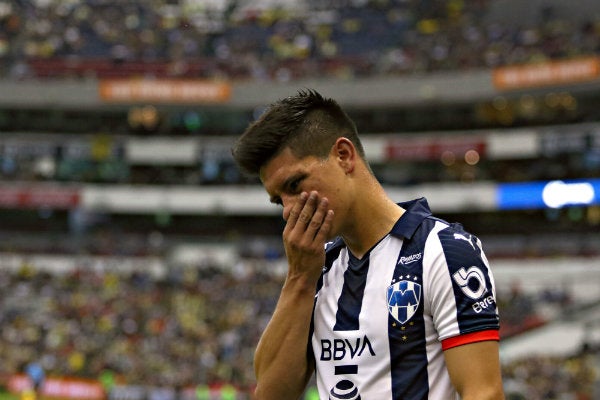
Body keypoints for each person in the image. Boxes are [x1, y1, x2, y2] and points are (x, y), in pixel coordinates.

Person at [231, 89, 504, 400]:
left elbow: (484, 392)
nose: (289, 210)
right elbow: (270, 395)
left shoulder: (443, 251)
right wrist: (300, 279)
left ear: (344, 156)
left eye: (295, 185)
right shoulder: (317, 271)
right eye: (279, 199)